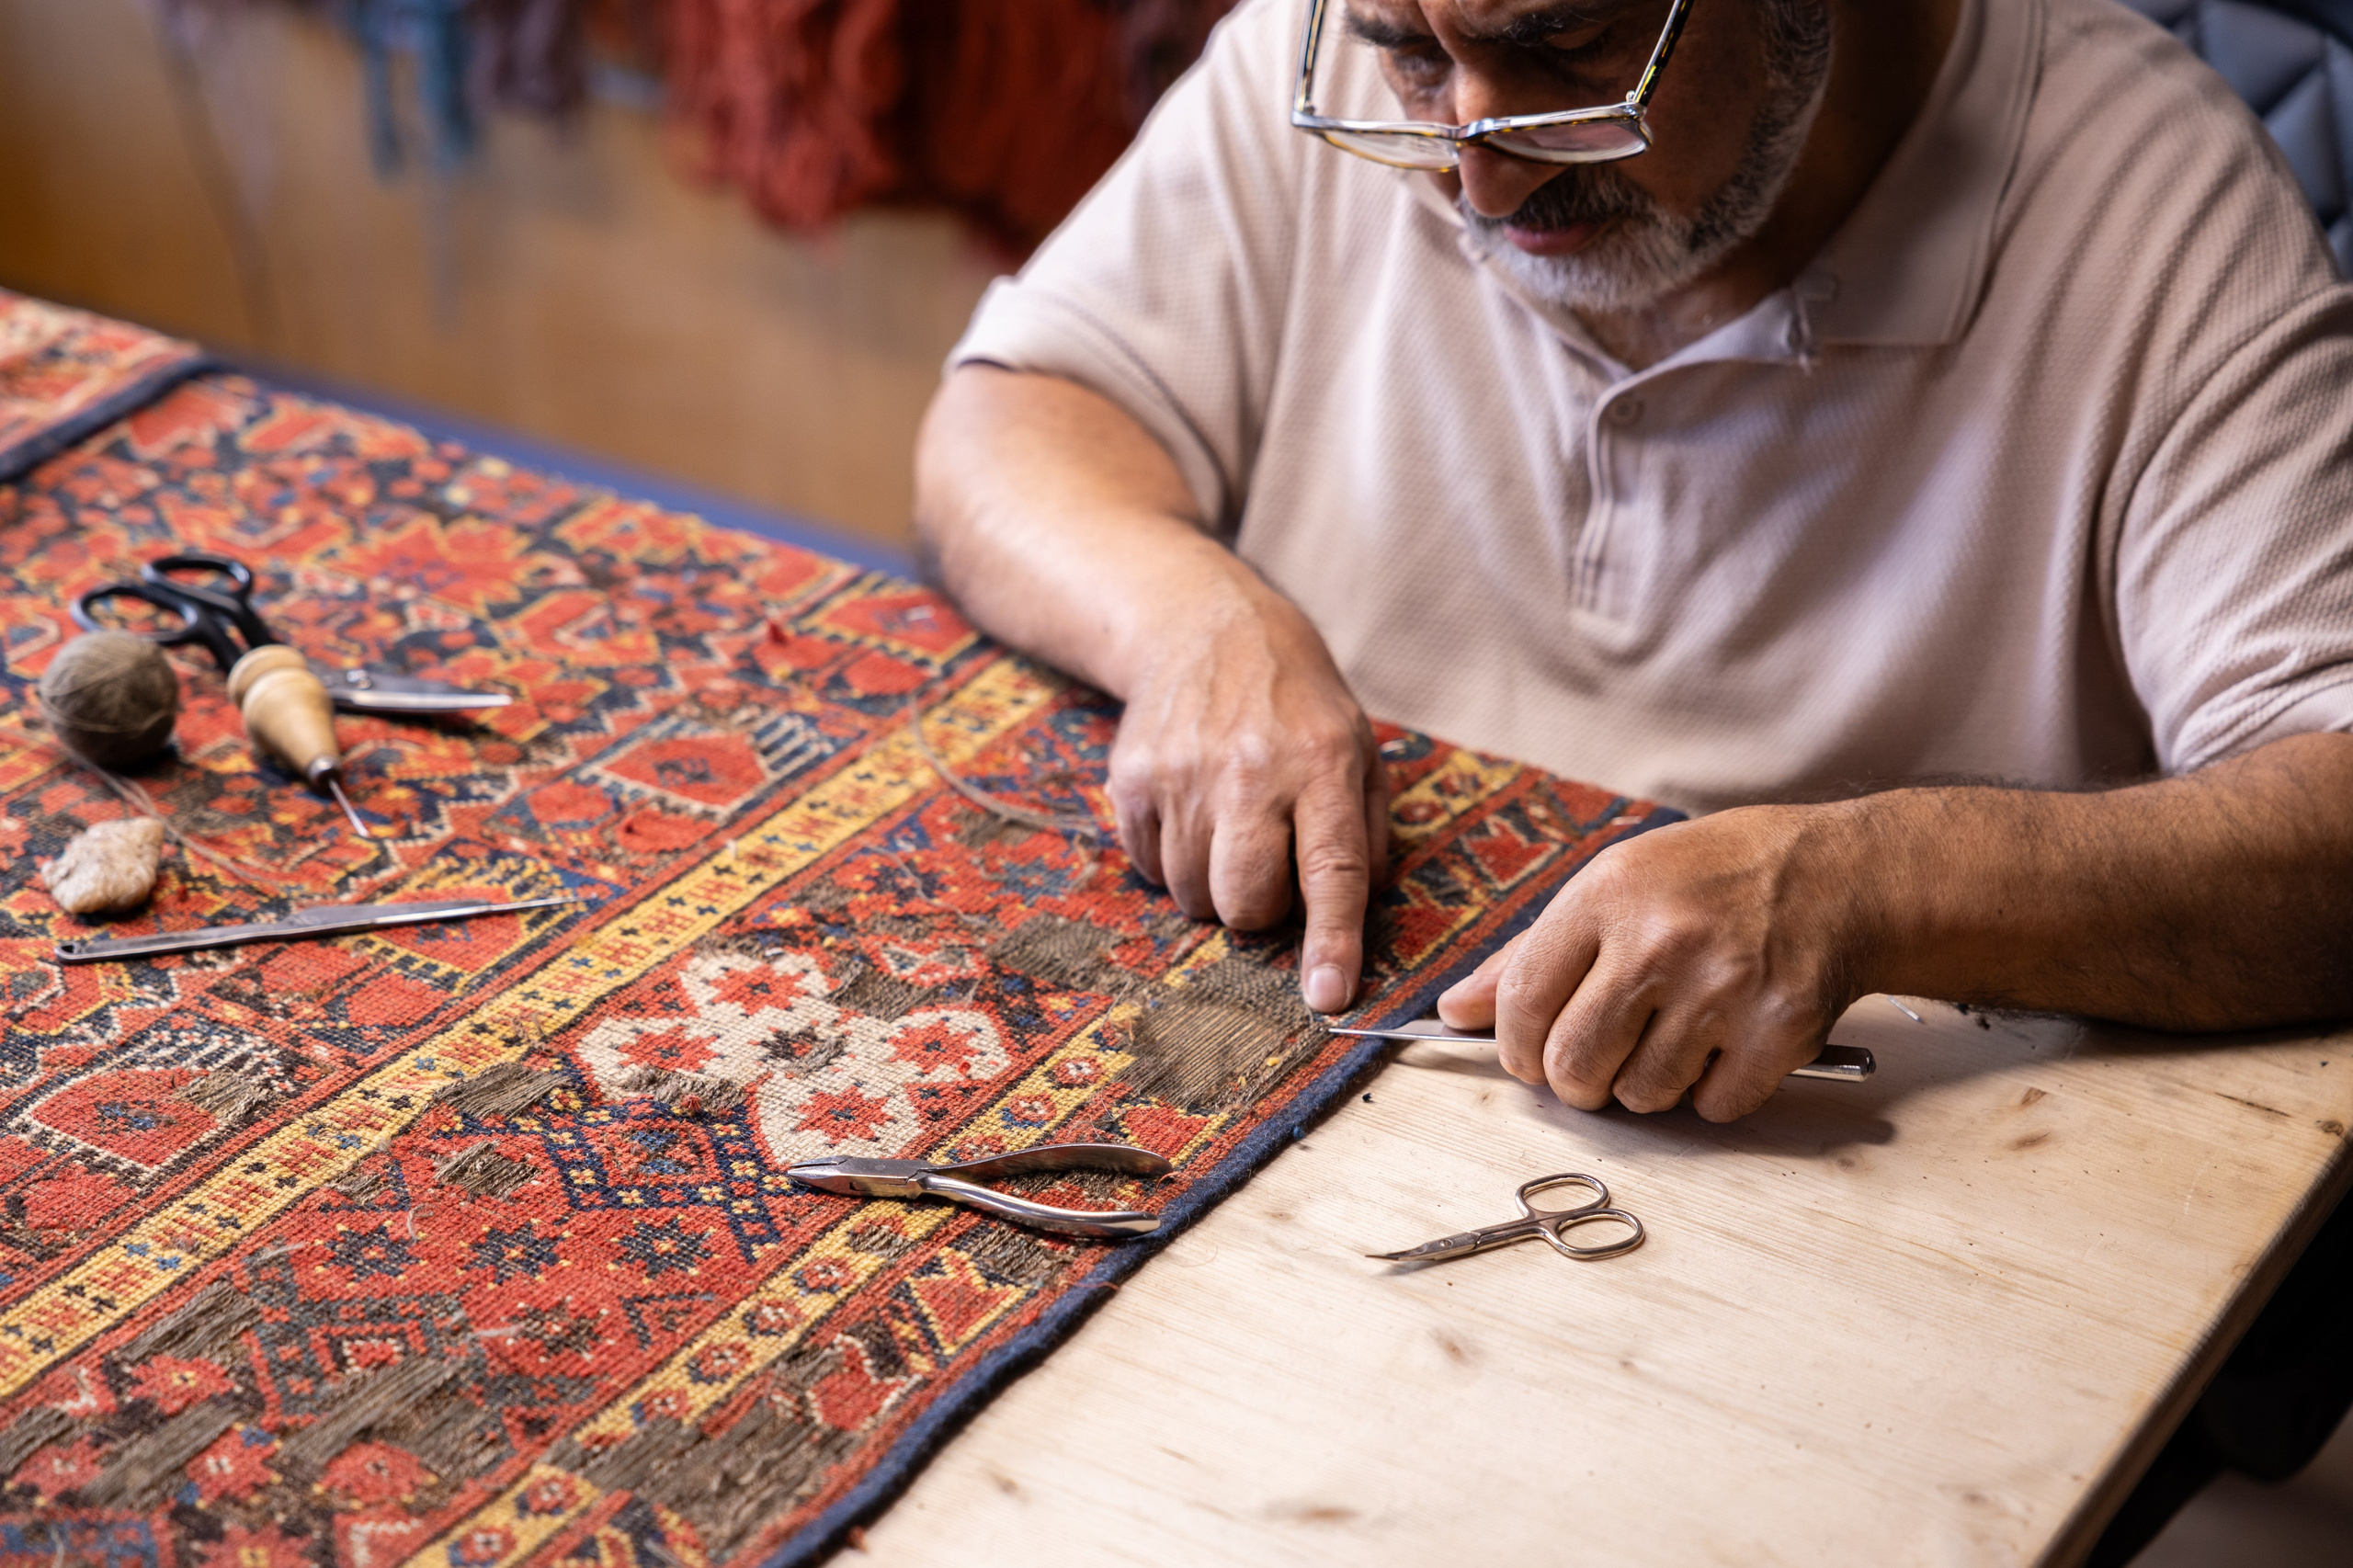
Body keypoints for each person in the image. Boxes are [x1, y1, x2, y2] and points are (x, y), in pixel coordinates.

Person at [913, 0, 2353, 1126]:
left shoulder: (2154, 207)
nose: (1475, 168)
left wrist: (1871, 883)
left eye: (1563, 45)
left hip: (1827, 1138)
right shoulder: (1363, 69)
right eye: (1410, 58)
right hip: (1324, 1058)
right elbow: (1012, 415)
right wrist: (1194, 622)